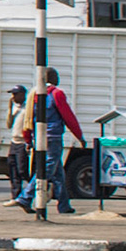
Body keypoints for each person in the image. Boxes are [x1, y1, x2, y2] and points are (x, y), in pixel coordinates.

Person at [15, 70, 85, 214]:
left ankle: (64, 205)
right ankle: (25, 196)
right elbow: (68, 116)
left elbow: (28, 118)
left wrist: (28, 139)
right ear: (52, 78)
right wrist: (79, 136)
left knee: (59, 172)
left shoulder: (34, 95)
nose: (59, 79)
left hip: (38, 136)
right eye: (57, 76)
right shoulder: (56, 93)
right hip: (53, 136)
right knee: (47, 168)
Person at [3, 85, 30, 200]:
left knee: (22, 170)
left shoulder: (27, 108)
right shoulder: (15, 109)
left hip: (23, 142)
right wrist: (10, 109)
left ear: (22, 94)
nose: (13, 97)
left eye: (15, 94)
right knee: (13, 169)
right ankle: (16, 195)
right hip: (14, 142)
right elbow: (9, 125)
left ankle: (34, 189)